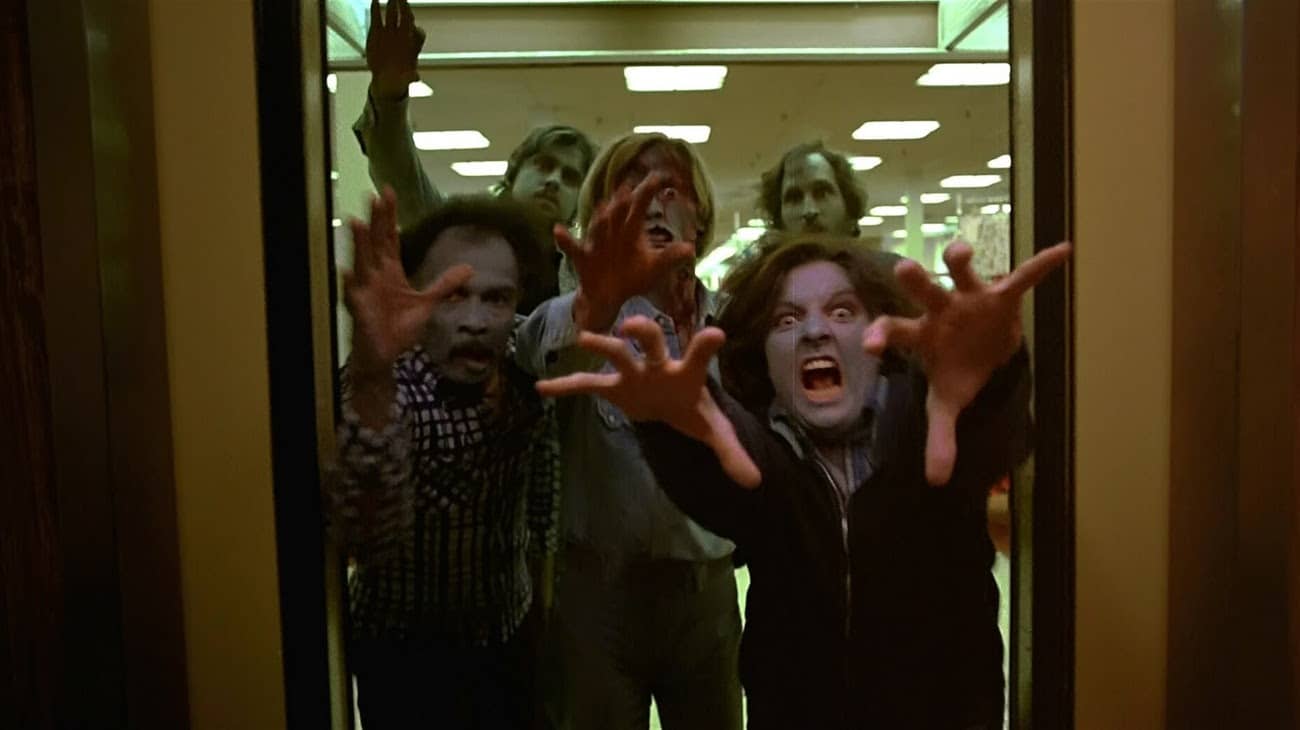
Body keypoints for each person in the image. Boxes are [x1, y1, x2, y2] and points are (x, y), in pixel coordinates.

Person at [538, 233, 1072, 729]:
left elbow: (995, 436)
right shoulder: (758, 449)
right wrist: (664, 424)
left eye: (842, 312)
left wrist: (997, 374)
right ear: (765, 358)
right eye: (787, 319)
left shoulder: (936, 425)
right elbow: (716, 482)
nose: (815, 331)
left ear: (879, 337)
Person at [515, 131, 742, 730]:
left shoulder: (734, 325)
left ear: (701, 215)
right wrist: (594, 307)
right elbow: (539, 358)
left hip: (706, 593)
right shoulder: (578, 317)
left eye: (671, 189)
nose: (653, 203)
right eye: (632, 186)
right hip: (598, 594)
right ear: (602, 214)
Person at [327, 189, 561, 729]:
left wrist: (542, 610)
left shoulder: (523, 374)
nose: (475, 320)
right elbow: (366, 534)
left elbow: (543, 494)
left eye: (496, 298)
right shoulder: (390, 388)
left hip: (508, 636)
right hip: (403, 654)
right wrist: (371, 376)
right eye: (452, 296)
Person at [352, 0, 598, 308]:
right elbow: (401, 177)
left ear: (579, 203)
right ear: (513, 173)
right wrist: (389, 93)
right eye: (544, 165)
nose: (554, 181)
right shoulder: (459, 235)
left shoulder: (583, 274)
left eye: (570, 177)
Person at [758, 141, 867, 236]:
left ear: (848, 206)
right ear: (778, 218)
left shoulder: (872, 255)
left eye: (822, 194)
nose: (809, 211)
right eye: (794, 199)